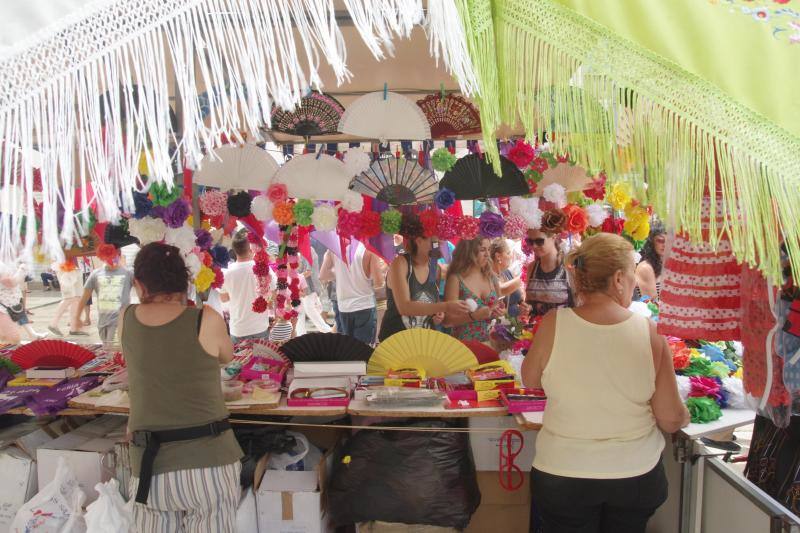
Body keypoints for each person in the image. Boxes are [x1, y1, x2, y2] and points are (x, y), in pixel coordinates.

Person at [521, 233, 690, 533]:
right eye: (632, 275)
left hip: (563, 476)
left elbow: (530, 380)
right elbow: (671, 419)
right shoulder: (649, 332)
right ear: (617, 279)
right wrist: (683, 413)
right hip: (633, 477)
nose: (635, 284)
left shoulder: (553, 324)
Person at [120, 242, 242, 532]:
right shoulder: (205, 318)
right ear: (185, 282)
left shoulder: (127, 319)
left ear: (139, 284)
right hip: (209, 463)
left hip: (151, 468)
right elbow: (226, 356)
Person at [379, 215, 470, 341]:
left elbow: (431, 304)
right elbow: (404, 307)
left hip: (422, 342)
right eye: (434, 242)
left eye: (440, 242)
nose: (438, 246)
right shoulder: (401, 263)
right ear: (418, 240)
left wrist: (437, 315)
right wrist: (445, 307)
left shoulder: (434, 267)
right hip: (396, 341)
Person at [443, 238, 508, 342]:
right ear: (468, 252)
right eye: (482, 250)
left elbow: (503, 309)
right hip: (465, 347)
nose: (487, 254)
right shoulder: (456, 279)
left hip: (492, 345)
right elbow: (447, 321)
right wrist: (473, 316)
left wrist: (501, 312)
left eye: (488, 249)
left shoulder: (491, 277)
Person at [320, 242, 383, 344]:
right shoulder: (370, 249)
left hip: (344, 307)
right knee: (363, 350)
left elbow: (323, 276)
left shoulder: (333, 248)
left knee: (348, 349)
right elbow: (379, 282)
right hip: (364, 305)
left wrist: (340, 275)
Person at [72, 244, 134, 344]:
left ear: (118, 255)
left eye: (114, 255)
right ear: (102, 257)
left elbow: (142, 291)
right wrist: (77, 317)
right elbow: (84, 298)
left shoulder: (128, 273)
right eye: (107, 256)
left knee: (113, 349)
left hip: (120, 322)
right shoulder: (96, 274)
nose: (111, 259)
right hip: (103, 322)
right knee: (108, 350)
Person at [220, 233, 269, 344]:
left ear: (234, 250)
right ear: (250, 248)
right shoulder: (262, 268)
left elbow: (224, 298)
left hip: (239, 328)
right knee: (262, 361)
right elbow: (273, 290)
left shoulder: (227, 273)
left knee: (240, 361)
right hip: (259, 326)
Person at [524, 229, 573, 319]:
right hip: (535, 330)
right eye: (530, 241)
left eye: (539, 241)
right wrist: (526, 308)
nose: (534, 246)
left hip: (561, 328)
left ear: (553, 237)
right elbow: (529, 301)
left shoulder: (568, 266)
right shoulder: (532, 267)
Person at [0, 260, 45, 342]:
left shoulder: (7, 261)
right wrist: (22, 269)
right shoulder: (2, 265)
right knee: (11, 338)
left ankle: (32, 334)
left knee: (20, 314)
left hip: (11, 299)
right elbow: (10, 283)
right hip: (5, 303)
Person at [490, 238, 529, 318]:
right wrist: (525, 276)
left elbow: (517, 297)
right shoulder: (489, 275)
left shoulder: (506, 272)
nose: (511, 256)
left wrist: (523, 305)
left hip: (515, 324)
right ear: (498, 256)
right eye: (508, 253)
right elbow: (501, 289)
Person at [48, 260, 84, 337]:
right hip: (65, 266)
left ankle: (73, 328)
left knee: (77, 297)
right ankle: (53, 324)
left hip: (77, 265)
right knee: (69, 297)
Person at [635, 220, 667, 302]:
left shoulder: (668, 265)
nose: (665, 244)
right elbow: (653, 307)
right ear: (652, 242)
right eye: (660, 241)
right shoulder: (646, 267)